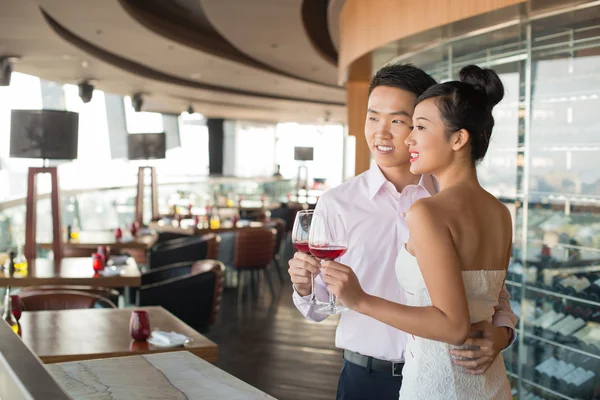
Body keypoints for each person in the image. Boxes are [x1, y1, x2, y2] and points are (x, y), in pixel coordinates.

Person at [288, 64, 517, 400]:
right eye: (372, 117)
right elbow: (323, 305)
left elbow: (493, 295)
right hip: (366, 377)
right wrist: (305, 285)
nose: (383, 133)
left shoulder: (447, 204)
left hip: (446, 373)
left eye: (400, 121)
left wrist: (502, 335)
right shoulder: (338, 202)